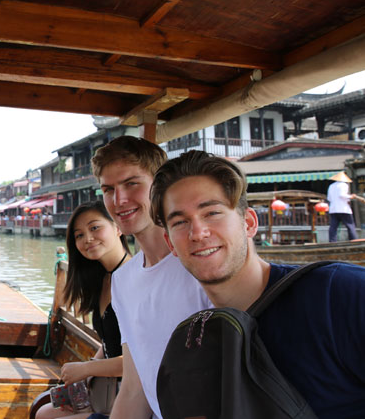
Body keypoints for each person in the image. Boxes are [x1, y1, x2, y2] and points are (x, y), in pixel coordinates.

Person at [151, 150, 365, 419]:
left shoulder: (336, 294)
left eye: (212, 213)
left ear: (249, 222)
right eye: (180, 222)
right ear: (170, 243)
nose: (198, 233)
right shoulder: (201, 341)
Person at [89, 136, 212, 419]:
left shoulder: (201, 265)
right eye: (109, 189)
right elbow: (134, 388)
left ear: (160, 185)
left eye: (132, 184)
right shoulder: (122, 281)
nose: (119, 200)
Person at [36, 201, 130, 419]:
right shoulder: (103, 278)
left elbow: (139, 362)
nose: (87, 238)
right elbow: (109, 343)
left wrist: (86, 370)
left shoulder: (133, 280)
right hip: (107, 388)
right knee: (44, 413)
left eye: (95, 228)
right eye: (79, 235)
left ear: (118, 228)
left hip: (130, 394)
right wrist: (85, 375)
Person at [326, 171, 365, 242]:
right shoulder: (344, 185)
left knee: (333, 227)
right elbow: (342, 195)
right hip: (343, 209)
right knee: (350, 225)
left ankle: (332, 241)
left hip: (333, 209)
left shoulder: (331, 186)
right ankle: (353, 240)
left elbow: (329, 198)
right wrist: (351, 196)